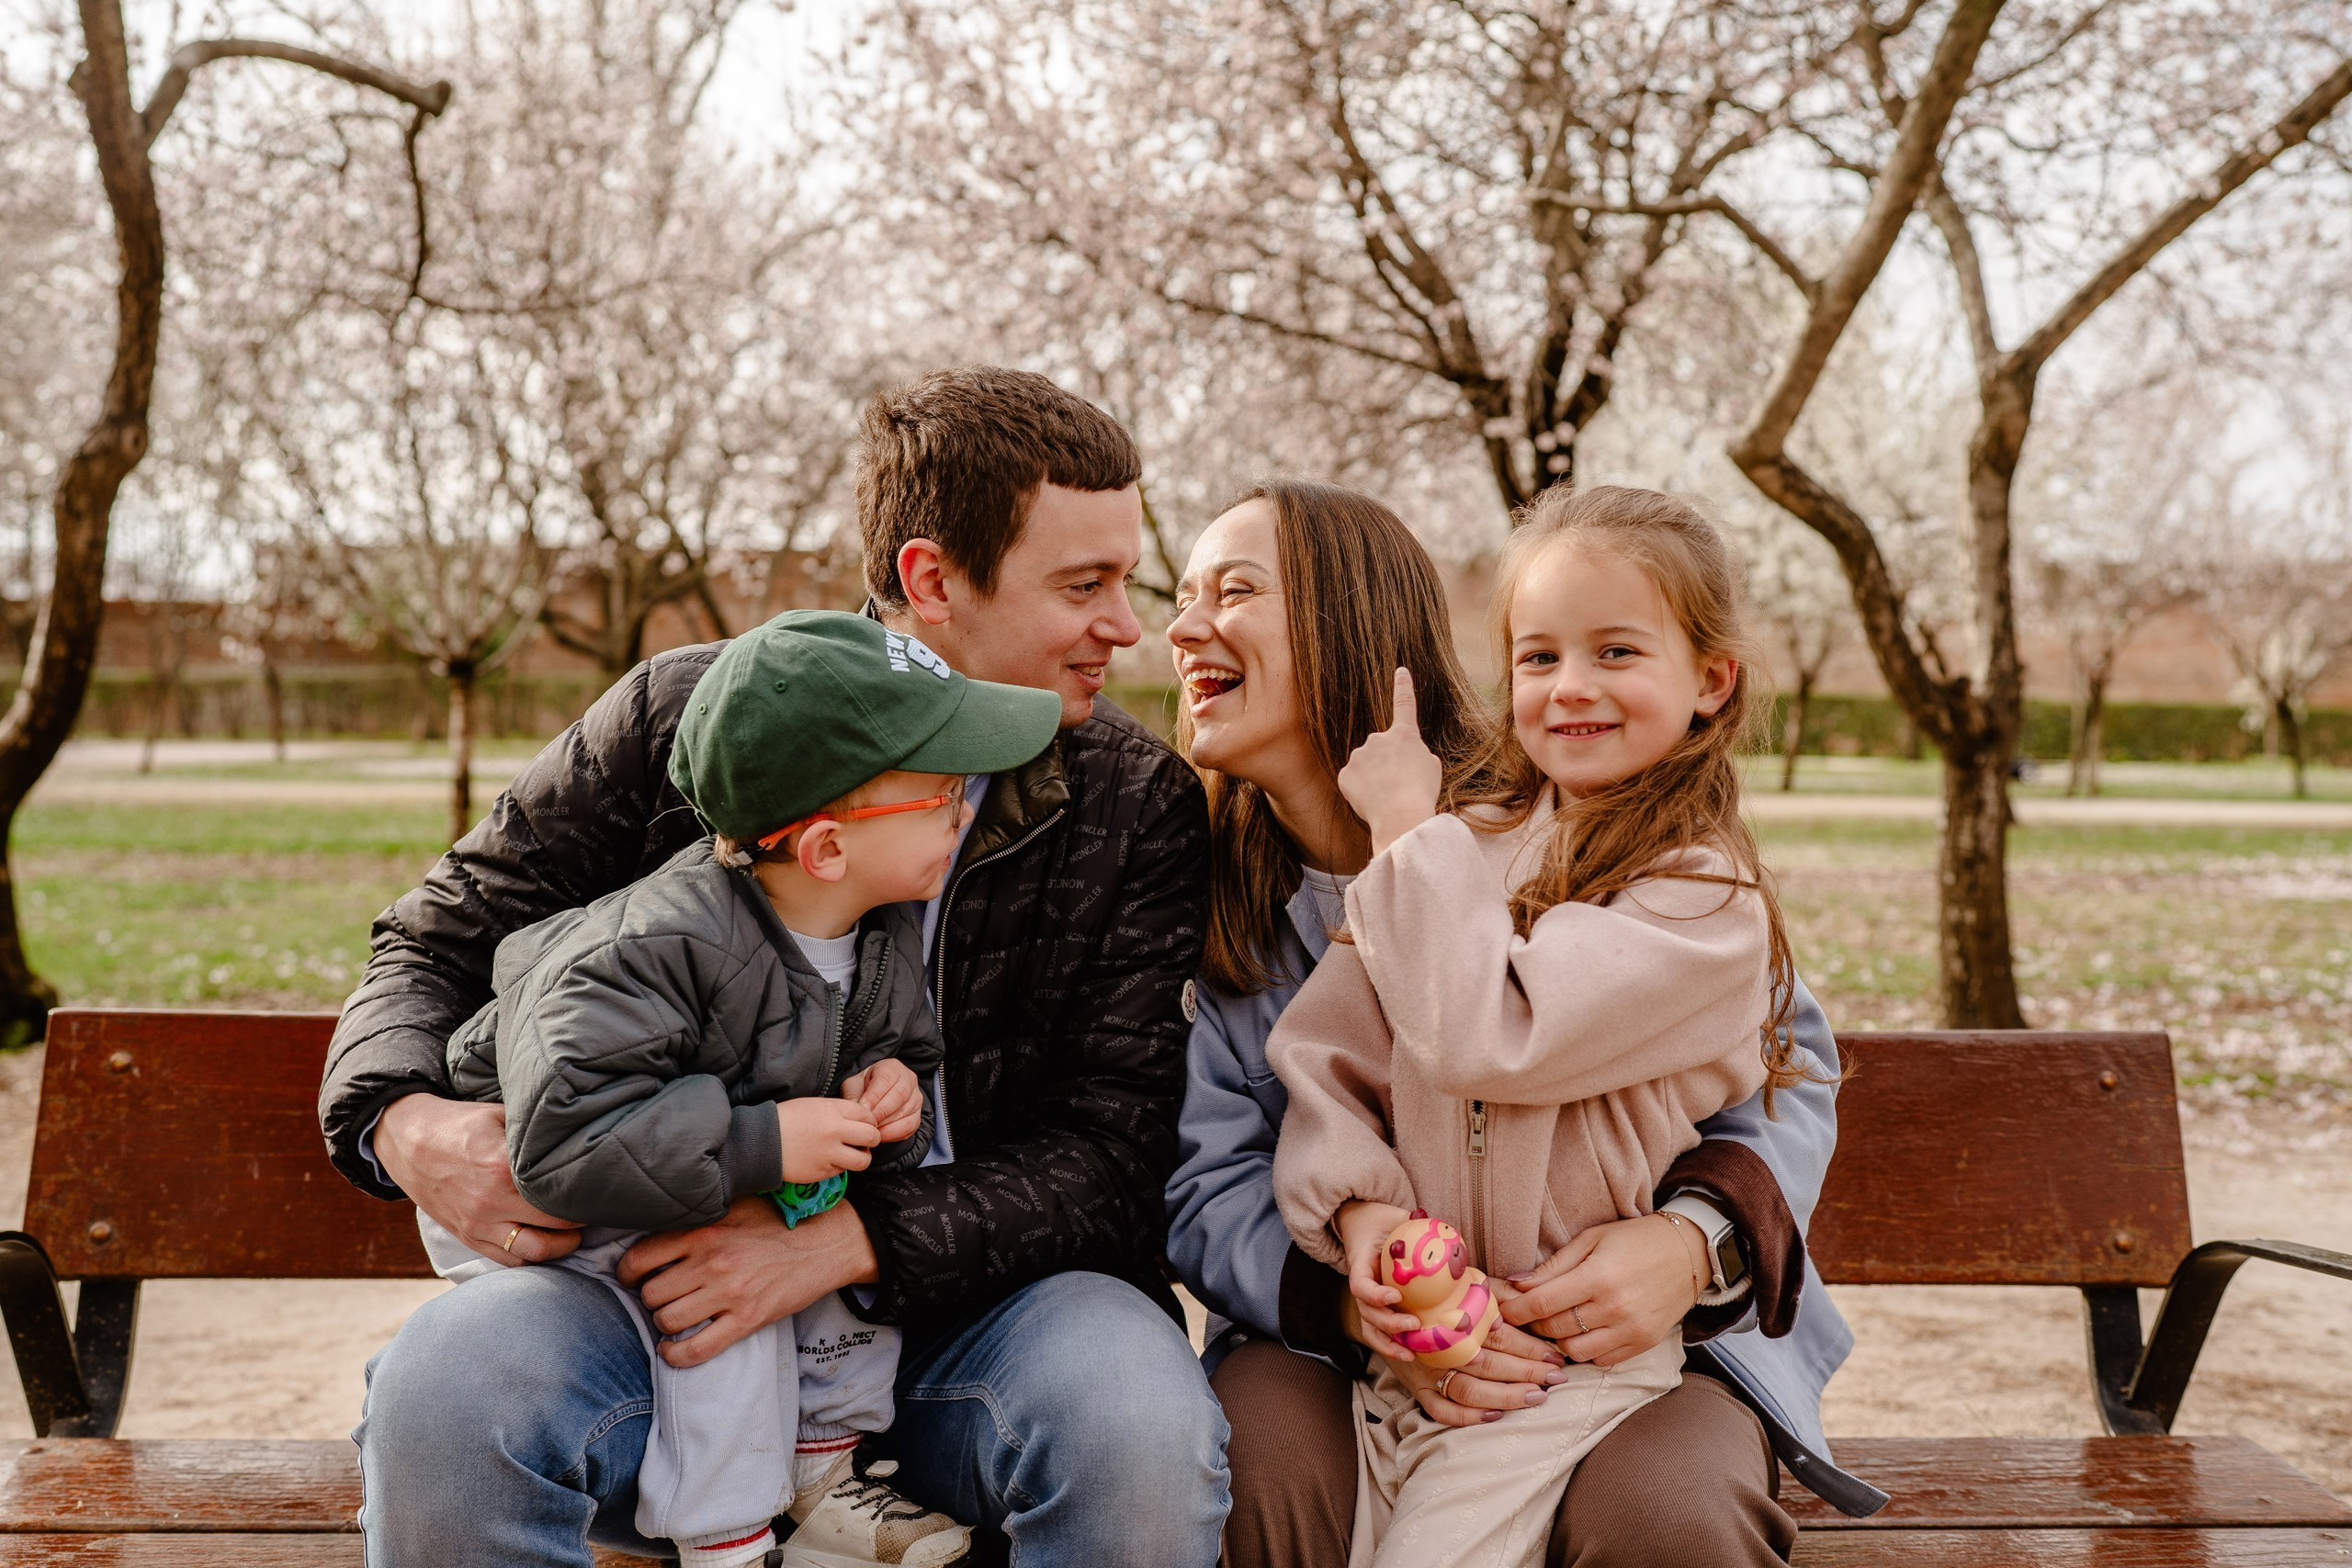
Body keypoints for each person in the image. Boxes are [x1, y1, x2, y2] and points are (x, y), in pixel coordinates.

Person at [323, 367, 1229, 1567]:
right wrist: (406, 1122)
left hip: (983, 1321)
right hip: (661, 1310)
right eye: (1084, 584)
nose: (1129, 623)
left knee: (1142, 1426)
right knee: (449, 1388)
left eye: (1128, 576)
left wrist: (835, 1242)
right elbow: (432, 938)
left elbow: (1112, 1153)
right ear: (931, 580)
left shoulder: (1132, 796)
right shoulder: (687, 717)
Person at [1162, 479, 1882, 1568]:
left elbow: (1788, 1069)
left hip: (1610, 1333)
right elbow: (1235, 1143)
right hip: (1347, 1328)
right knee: (1263, 1475)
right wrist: (1366, 1282)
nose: (1181, 627)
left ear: (1342, 622)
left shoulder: (1606, 847)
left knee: (1664, 1521)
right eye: (1540, 658)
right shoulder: (1210, 893)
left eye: (1236, 590)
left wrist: (1694, 1243)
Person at [420, 611, 1069, 1567]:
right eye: (937, 795)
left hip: (707, 1167)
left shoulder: (874, 925)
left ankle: (820, 1479)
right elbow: (563, 1143)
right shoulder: (643, 950)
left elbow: (898, 1048)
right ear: (825, 849)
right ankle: (728, 1541)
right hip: (576, 1210)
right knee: (725, 1321)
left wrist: (893, 1093)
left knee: (845, 1273)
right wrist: (764, 1143)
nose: (963, 810)